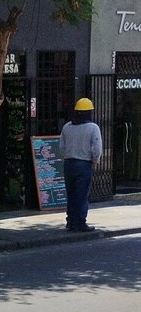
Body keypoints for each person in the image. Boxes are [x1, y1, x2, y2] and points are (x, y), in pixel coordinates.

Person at [59, 98, 103, 232]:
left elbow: (61, 147)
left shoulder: (67, 127)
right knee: (82, 195)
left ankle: (70, 221)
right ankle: (80, 222)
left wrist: (66, 158)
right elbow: (97, 148)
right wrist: (94, 161)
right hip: (84, 164)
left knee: (71, 193)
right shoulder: (93, 128)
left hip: (68, 164)